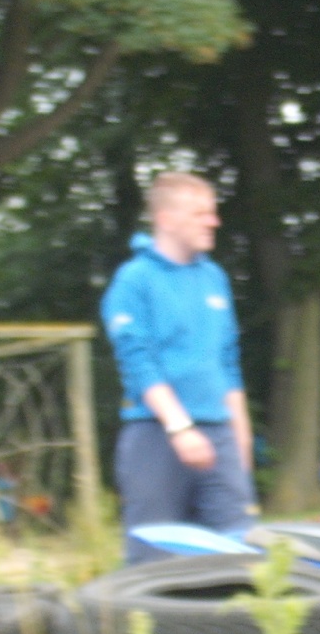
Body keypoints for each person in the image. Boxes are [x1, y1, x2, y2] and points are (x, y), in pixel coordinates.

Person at [102, 171, 255, 563]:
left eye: (212, 212)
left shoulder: (214, 278)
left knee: (242, 554)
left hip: (218, 433)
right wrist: (180, 428)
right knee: (154, 561)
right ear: (166, 219)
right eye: (200, 214)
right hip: (156, 436)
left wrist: (241, 437)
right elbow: (139, 363)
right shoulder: (134, 280)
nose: (213, 222)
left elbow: (228, 362)